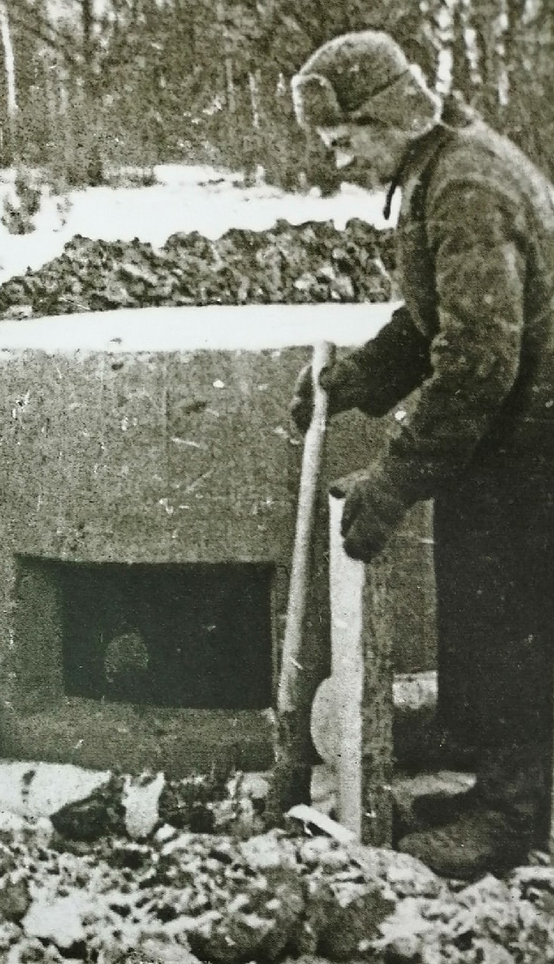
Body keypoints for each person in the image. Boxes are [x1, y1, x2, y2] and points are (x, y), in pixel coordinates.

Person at [288, 31, 554, 878]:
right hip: (510, 442)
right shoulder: (439, 173)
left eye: (344, 142)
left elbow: (477, 363)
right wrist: (356, 380)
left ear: (385, 119)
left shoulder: (468, 186)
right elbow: (432, 321)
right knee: (487, 619)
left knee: (515, 625)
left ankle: (512, 818)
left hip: (535, 445)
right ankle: (500, 793)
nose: (340, 161)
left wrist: (396, 476)